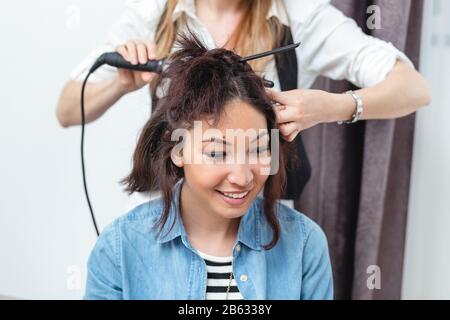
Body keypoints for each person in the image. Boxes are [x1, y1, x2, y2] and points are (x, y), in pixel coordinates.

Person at [84, 35, 333, 300]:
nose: (242, 177)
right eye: (217, 153)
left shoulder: (305, 244)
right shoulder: (119, 248)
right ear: (177, 150)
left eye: (259, 149)